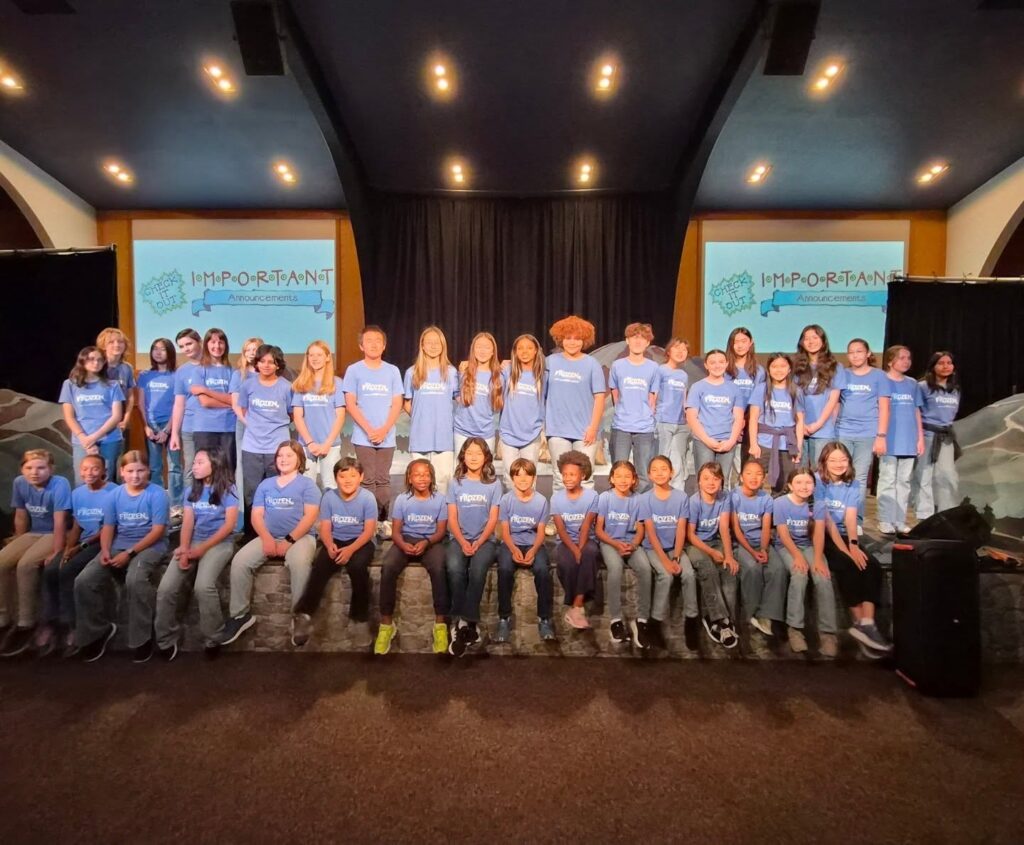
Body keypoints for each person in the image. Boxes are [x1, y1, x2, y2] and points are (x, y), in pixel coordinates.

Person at [220, 441, 320, 646]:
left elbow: (310, 516)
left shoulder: (307, 485)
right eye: (280, 456)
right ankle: (240, 616)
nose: (283, 459)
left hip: (300, 538)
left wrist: (289, 540)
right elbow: (257, 515)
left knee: (299, 563)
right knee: (240, 562)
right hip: (269, 536)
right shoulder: (266, 485)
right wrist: (266, 538)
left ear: (299, 459)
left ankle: (299, 617)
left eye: (289, 456)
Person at [74, 451, 170, 663]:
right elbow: (109, 527)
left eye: (141, 471)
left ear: (148, 471)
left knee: (135, 580)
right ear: (121, 472)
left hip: (150, 545)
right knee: (84, 581)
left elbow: (157, 531)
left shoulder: (157, 494)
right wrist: (106, 550)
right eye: (130, 471)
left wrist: (130, 553)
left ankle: (142, 639)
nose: (135, 476)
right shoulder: (114, 496)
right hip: (119, 544)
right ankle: (96, 632)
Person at [153, 448, 239, 660]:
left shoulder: (229, 490)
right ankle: (165, 640)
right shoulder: (190, 491)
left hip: (220, 542)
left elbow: (228, 526)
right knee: (166, 588)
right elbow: (188, 522)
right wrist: (184, 548)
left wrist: (201, 549)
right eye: (195, 462)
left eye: (200, 462)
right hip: (193, 541)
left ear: (215, 464)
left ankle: (213, 637)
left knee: (203, 586)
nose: (194, 466)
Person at [813, 442, 891, 658]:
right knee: (847, 564)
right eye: (833, 460)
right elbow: (827, 523)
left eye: (842, 460)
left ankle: (866, 623)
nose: (838, 464)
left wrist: (854, 545)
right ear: (824, 462)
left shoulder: (853, 484)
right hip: (822, 533)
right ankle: (859, 623)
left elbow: (849, 518)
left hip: (845, 534)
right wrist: (847, 551)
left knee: (871, 565)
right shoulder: (817, 481)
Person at [291, 457, 377, 648]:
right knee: (320, 567)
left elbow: (369, 531)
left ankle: (360, 619)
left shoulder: (367, 498)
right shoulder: (329, 497)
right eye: (343, 476)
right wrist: (329, 545)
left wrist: (350, 549)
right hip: (336, 539)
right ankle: (304, 615)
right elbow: (325, 528)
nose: (348, 480)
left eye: (353, 476)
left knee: (358, 567)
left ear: (361, 477)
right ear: (336, 478)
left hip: (361, 541)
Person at [39, 455, 116, 656]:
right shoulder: (78, 493)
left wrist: (79, 547)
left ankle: (73, 626)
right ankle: (51, 622)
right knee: (51, 570)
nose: (89, 473)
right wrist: (67, 549)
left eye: (94, 469)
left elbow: (110, 528)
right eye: (84, 469)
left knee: (67, 572)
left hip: (101, 542)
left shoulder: (113, 492)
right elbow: (77, 525)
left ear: (103, 470)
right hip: (80, 542)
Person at [0, 449, 71, 657]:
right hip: (33, 533)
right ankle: (3, 619)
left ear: (51, 469)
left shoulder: (60, 485)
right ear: (22, 468)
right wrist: (19, 542)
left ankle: (26, 622)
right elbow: (21, 516)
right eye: (29, 468)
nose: (34, 472)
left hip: (53, 533)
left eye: (41, 468)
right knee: (3, 561)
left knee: (25, 565)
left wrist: (58, 551)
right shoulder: (20, 483)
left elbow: (60, 522)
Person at [375, 459, 450, 655]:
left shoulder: (440, 500)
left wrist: (426, 542)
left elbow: (441, 531)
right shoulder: (402, 500)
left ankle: (440, 626)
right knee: (388, 566)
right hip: (405, 539)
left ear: (431, 477)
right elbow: (396, 531)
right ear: (409, 477)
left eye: (426, 474)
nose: (422, 478)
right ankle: (386, 625)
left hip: (431, 540)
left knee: (440, 568)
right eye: (417, 474)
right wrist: (402, 545)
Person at [343, 326, 404, 534]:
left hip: (387, 436)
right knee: (368, 478)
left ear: (384, 345)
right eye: (369, 340)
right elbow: (350, 403)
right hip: (363, 436)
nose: (374, 344)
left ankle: (383, 520)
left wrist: (384, 429)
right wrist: (370, 430)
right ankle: (369, 521)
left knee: (383, 478)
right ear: (361, 345)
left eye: (378, 340)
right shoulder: (354, 370)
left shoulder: (392, 370)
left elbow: (397, 403)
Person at [445, 437, 502, 657]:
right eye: (469, 452)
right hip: (458, 539)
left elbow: (493, 518)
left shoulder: (494, 484)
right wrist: (462, 541)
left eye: (478, 452)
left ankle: (464, 623)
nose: (473, 456)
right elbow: (452, 517)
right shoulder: (455, 483)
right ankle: (466, 626)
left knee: (478, 571)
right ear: (463, 456)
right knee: (454, 568)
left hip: (485, 541)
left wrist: (478, 542)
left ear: (486, 456)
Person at [773, 467, 838, 657]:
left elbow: (818, 535)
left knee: (823, 577)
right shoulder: (780, 504)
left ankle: (828, 633)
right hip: (787, 547)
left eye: (808, 482)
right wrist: (798, 556)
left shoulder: (817, 505)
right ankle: (795, 628)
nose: (804, 486)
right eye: (799, 482)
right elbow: (783, 535)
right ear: (790, 485)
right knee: (799, 575)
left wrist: (817, 559)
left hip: (809, 546)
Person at [640, 455, 698, 650]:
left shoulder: (681, 497)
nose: (659, 473)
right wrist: (666, 561)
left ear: (672, 472)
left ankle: (691, 620)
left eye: (664, 469)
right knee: (665, 576)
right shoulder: (645, 499)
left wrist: (676, 556)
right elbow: (651, 533)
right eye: (654, 470)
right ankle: (654, 624)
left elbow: (681, 529)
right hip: (653, 548)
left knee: (688, 574)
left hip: (675, 548)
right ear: (649, 475)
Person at [595, 460, 653, 649]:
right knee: (615, 568)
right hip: (610, 542)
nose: (622, 480)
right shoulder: (604, 498)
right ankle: (616, 620)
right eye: (618, 476)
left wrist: (633, 545)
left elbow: (640, 530)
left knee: (645, 568)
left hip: (630, 544)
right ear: (611, 478)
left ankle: (643, 620)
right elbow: (599, 530)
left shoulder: (638, 500)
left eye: (627, 476)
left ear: (634, 479)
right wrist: (615, 544)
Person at [495, 458, 554, 644]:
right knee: (504, 569)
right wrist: (513, 550)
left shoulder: (541, 501)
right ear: (512, 478)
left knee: (543, 571)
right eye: (518, 475)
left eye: (527, 475)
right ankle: (504, 618)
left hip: (533, 543)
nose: (522, 479)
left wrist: (533, 550)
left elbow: (541, 531)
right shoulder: (506, 500)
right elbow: (504, 531)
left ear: (534, 478)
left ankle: (544, 619)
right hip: (510, 542)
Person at [545, 315, 606, 491]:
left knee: (585, 478)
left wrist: (593, 428)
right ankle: (557, 517)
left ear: (585, 340)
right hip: (557, 430)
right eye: (568, 338)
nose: (572, 342)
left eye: (577, 338)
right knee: (559, 478)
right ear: (560, 339)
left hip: (585, 431)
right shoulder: (550, 362)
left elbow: (600, 398)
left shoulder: (592, 364)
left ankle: (586, 516)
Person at [836, 339, 891, 532]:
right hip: (843, 432)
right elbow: (836, 402)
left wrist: (881, 435)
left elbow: (884, 407)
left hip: (867, 434)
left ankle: (855, 521)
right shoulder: (843, 374)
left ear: (868, 353)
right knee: (840, 476)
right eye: (851, 352)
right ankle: (839, 517)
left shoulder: (879, 376)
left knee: (858, 478)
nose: (856, 355)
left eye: (859, 351)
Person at [730, 459, 786, 639]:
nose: (753, 478)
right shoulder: (734, 496)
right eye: (749, 473)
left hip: (760, 542)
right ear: (741, 477)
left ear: (764, 478)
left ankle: (766, 615)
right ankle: (750, 613)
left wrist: (763, 549)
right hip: (740, 543)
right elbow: (736, 530)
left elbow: (766, 527)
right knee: (752, 568)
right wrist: (753, 552)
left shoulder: (766, 498)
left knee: (778, 569)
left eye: (758, 474)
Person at [237, 344, 294, 517]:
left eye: (271, 362)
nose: (266, 365)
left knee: (277, 491)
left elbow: (291, 413)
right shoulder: (247, 385)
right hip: (252, 447)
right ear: (257, 363)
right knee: (251, 493)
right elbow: (244, 410)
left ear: (278, 365)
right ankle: (251, 535)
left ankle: (275, 530)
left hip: (277, 448)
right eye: (262, 361)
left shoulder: (286, 387)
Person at [686, 462, 739, 649]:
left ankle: (728, 620)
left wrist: (729, 555)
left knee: (729, 570)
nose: (711, 482)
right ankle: (716, 619)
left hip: (715, 541)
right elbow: (690, 534)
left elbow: (724, 528)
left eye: (716, 479)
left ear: (722, 481)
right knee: (707, 568)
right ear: (699, 481)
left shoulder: (724, 498)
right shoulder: (693, 501)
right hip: (695, 544)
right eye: (706, 478)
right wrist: (711, 552)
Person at [403, 326, 459, 493]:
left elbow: (459, 400)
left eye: (437, 342)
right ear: (422, 345)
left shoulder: (451, 372)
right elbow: (406, 402)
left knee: (443, 481)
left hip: (444, 437)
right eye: (429, 342)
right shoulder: (412, 372)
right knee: (420, 482)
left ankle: (441, 517)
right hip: (420, 437)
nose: (433, 346)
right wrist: (421, 418)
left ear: (443, 345)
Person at [549, 450, 600, 631]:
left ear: (582, 475)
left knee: (590, 553)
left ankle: (577, 605)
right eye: (564, 474)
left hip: (587, 539)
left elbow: (586, 525)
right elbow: (560, 529)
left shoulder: (592, 496)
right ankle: (575, 605)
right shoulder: (556, 498)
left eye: (572, 474)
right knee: (566, 560)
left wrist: (580, 547)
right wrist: (573, 548)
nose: (567, 478)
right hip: (565, 541)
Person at [608, 322, 661, 493]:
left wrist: (646, 416)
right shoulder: (618, 365)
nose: (638, 342)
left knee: (644, 473)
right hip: (621, 426)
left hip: (644, 428)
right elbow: (615, 394)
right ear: (627, 340)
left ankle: (641, 512)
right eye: (634, 338)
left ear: (648, 343)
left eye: (642, 338)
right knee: (619, 470)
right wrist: (622, 412)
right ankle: (619, 510)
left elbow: (653, 397)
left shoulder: (653, 367)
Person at [878, 345, 924, 534]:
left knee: (904, 481)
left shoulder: (912, 383)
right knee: (888, 479)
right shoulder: (881, 380)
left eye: (908, 358)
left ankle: (899, 519)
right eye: (902, 358)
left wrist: (920, 438)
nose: (906, 361)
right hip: (889, 438)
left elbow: (916, 411)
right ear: (890, 361)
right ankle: (885, 519)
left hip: (908, 439)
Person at [59, 346, 125, 477]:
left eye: (100, 360)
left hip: (109, 439)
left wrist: (94, 437)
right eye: (91, 359)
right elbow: (69, 416)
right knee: (83, 480)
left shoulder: (113, 385)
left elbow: (117, 416)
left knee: (106, 480)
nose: (96, 363)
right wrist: (85, 439)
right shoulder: (70, 384)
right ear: (82, 361)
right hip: (82, 440)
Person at [291, 340, 346, 491]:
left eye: (319, 355)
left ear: (328, 357)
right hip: (306, 445)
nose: (315, 358)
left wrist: (327, 443)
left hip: (331, 445)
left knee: (331, 486)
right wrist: (310, 443)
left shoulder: (337, 383)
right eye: (311, 355)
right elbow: (297, 416)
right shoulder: (301, 384)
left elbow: (340, 416)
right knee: (306, 488)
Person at [913, 350, 961, 520]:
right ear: (933, 367)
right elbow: (915, 411)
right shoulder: (922, 387)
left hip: (945, 437)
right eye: (941, 363)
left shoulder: (954, 389)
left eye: (949, 363)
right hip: (926, 434)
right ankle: (923, 515)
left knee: (947, 475)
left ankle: (946, 513)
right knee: (923, 475)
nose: (945, 366)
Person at [747, 353, 804, 492]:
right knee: (753, 481)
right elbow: (753, 418)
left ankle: (778, 513)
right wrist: (754, 444)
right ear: (768, 369)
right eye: (774, 366)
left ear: (789, 369)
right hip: (763, 443)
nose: (778, 370)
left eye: (783, 366)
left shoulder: (796, 390)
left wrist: (799, 447)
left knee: (783, 485)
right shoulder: (761, 388)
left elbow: (800, 421)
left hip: (787, 445)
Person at [685, 349, 743, 484]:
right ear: (706, 365)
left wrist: (731, 441)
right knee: (705, 481)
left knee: (723, 482)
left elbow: (739, 417)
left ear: (726, 363)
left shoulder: (734, 388)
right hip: (704, 441)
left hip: (727, 441)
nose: (717, 365)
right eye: (713, 362)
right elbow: (691, 417)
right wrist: (707, 440)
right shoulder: (697, 387)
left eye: (721, 362)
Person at [137, 338, 182, 507]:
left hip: (171, 425)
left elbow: (179, 405)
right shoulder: (145, 376)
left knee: (174, 466)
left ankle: (176, 504)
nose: (158, 352)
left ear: (170, 352)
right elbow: (141, 403)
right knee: (154, 466)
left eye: (162, 349)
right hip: (151, 427)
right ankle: (157, 501)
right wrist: (146, 426)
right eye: (154, 349)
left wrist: (168, 430)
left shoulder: (177, 376)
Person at [793, 324, 846, 469]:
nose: (811, 342)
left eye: (815, 337)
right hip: (799, 429)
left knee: (821, 473)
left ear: (823, 340)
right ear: (802, 342)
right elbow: (794, 398)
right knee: (799, 473)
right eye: (806, 338)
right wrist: (801, 424)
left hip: (823, 430)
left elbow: (834, 400)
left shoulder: (835, 367)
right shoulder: (796, 367)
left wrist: (819, 424)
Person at [498, 334, 545, 490]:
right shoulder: (507, 371)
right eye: (520, 348)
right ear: (515, 351)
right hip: (509, 434)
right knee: (510, 479)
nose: (525, 352)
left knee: (529, 479)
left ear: (536, 351)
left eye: (529, 348)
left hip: (532, 435)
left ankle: (529, 513)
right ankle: (510, 513)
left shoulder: (543, 375)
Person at [454, 332, 503, 455]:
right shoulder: (463, 371)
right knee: (461, 471)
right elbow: (456, 395)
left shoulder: (499, 376)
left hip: (486, 433)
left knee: (485, 471)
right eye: (479, 347)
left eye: (487, 347)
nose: (482, 351)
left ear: (493, 352)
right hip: (462, 432)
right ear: (473, 350)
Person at [655, 337, 691, 491]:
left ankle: (678, 497)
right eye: (677, 348)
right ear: (668, 351)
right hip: (663, 421)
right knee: (662, 461)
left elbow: (684, 398)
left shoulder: (683, 375)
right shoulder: (660, 370)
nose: (680, 352)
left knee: (678, 461)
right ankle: (660, 495)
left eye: (684, 349)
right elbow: (653, 395)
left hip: (681, 424)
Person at [168, 328, 204, 487]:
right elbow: (179, 404)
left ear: (200, 342)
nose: (186, 349)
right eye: (182, 346)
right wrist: (174, 433)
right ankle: (190, 507)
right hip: (190, 428)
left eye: (189, 344)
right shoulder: (182, 371)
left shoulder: (217, 366)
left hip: (215, 427)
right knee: (191, 468)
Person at [96, 327, 136, 443]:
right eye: (111, 342)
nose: (117, 345)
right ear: (103, 345)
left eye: (120, 342)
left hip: (120, 421)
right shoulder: (96, 366)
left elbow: (130, 396)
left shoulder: (127, 368)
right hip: (99, 421)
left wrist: (126, 419)